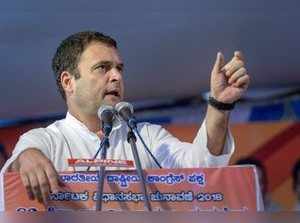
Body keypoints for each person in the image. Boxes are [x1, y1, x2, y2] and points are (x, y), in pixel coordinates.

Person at [0, 31, 250, 207]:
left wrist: (219, 104)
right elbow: (16, 172)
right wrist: (25, 159)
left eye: (119, 68)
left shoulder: (146, 137)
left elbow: (202, 170)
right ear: (68, 82)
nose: (116, 76)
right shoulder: (45, 140)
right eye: (103, 68)